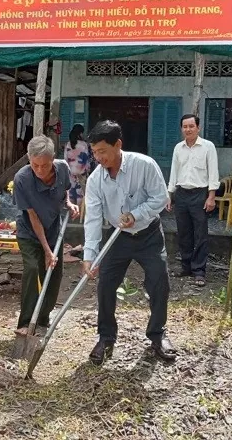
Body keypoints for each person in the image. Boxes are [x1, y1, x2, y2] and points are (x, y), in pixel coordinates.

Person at [82, 120, 176, 365]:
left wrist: (136, 215)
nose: (98, 157)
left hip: (149, 235)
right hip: (117, 238)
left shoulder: (144, 165)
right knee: (105, 286)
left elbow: (161, 198)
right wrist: (90, 256)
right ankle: (106, 337)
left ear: (118, 145)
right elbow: (92, 219)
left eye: (102, 151)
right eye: (94, 152)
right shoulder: (95, 181)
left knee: (159, 281)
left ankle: (157, 335)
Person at [13, 135, 80, 334]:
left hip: (53, 228)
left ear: (53, 159)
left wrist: (68, 203)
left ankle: (42, 319)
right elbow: (33, 218)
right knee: (33, 268)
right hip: (29, 232)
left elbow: (65, 191)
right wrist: (46, 250)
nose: (40, 170)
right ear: (28, 159)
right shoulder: (22, 179)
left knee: (53, 273)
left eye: (45, 165)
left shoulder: (62, 169)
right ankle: (25, 323)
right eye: (35, 165)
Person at [167, 114, 220, 287]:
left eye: (191, 126)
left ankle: (199, 271)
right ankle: (186, 267)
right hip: (181, 194)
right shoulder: (178, 148)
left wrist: (211, 196)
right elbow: (174, 172)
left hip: (200, 194)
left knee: (200, 234)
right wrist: (169, 195)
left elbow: (213, 172)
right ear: (181, 128)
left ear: (198, 128)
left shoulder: (207, 147)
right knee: (183, 232)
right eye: (185, 126)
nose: (188, 129)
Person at [64, 124, 93, 211]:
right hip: (81, 172)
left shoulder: (67, 145)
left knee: (71, 193)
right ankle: (80, 212)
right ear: (80, 134)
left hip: (70, 173)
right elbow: (87, 160)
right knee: (81, 193)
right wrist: (88, 170)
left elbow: (65, 160)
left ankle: (72, 213)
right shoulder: (84, 145)